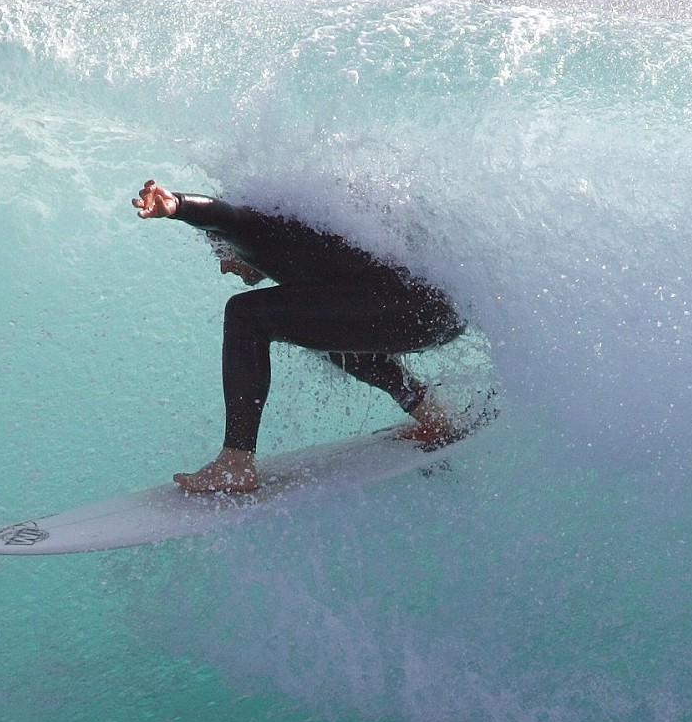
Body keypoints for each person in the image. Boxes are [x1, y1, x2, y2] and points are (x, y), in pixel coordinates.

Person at [133, 180, 466, 494]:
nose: (224, 266)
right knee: (323, 330)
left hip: (410, 308)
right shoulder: (302, 232)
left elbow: (226, 217)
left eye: (220, 250)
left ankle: (236, 461)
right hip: (437, 310)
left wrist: (177, 204)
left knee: (245, 313)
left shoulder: (260, 229)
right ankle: (434, 415)